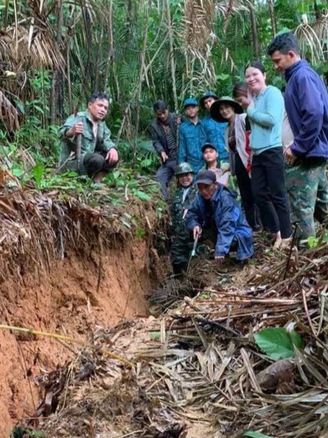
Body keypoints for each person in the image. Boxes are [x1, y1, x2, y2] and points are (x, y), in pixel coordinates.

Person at [267, 32, 328, 242]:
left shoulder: (301, 76)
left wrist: (297, 147)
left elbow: (314, 113)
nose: (276, 66)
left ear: (291, 54)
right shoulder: (301, 76)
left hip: (307, 156)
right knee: (323, 208)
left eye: (277, 61)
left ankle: (308, 266)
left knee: (301, 216)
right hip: (314, 153)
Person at [237, 61, 292, 249]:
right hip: (258, 154)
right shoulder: (255, 99)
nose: (251, 79)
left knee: (278, 194)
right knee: (259, 194)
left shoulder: (273, 93)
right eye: (248, 76)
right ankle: (277, 231)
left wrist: (250, 109)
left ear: (264, 75)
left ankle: (287, 235)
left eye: (255, 74)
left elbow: (271, 120)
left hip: (273, 150)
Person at [210, 96, 260, 231]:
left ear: (232, 107)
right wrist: (228, 169)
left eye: (226, 107)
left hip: (250, 161)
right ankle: (251, 226)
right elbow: (232, 151)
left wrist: (252, 161)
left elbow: (252, 139)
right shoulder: (227, 129)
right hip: (238, 164)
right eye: (221, 109)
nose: (224, 111)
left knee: (257, 193)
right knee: (245, 195)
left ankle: (262, 223)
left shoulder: (243, 118)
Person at [185, 170, 254, 262]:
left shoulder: (226, 199)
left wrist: (220, 251)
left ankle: (227, 254)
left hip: (237, 232)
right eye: (200, 188)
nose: (204, 191)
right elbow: (191, 213)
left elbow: (227, 226)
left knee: (233, 240)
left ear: (215, 184)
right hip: (216, 229)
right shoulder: (199, 197)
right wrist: (195, 225)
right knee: (190, 233)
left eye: (206, 187)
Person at [58, 92, 119, 183]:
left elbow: (107, 140)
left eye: (105, 108)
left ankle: (96, 180)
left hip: (90, 158)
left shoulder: (101, 125)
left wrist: (112, 148)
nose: (103, 110)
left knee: (114, 155)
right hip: (74, 161)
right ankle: (81, 179)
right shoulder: (78, 117)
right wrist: (71, 131)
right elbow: (60, 133)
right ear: (90, 105)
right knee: (97, 159)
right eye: (100, 105)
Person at [151, 100, 182, 201]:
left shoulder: (176, 117)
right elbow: (155, 141)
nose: (163, 116)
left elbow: (188, 126)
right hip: (168, 159)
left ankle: (182, 202)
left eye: (164, 113)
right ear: (156, 113)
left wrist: (181, 122)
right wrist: (161, 151)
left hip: (181, 157)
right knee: (159, 178)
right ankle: (166, 202)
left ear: (167, 110)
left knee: (183, 179)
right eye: (159, 114)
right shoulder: (154, 125)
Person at [170, 162, 197, 274]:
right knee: (176, 260)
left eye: (187, 175)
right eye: (181, 176)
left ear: (192, 175)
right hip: (178, 235)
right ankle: (177, 282)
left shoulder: (198, 191)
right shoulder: (176, 193)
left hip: (193, 233)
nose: (185, 178)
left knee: (194, 260)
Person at [178, 98, 207, 173]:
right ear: (185, 111)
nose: (191, 110)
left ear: (197, 108)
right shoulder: (183, 127)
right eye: (188, 108)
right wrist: (181, 166)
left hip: (206, 163)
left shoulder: (204, 124)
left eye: (193, 107)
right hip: (191, 165)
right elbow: (182, 148)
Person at [200, 91, 229, 163]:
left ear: (216, 101)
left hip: (229, 155)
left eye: (210, 101)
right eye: (205, 103)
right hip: (214, 159)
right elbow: (204, 141)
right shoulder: (204, 122)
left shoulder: (226, 117)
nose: (208, 104)